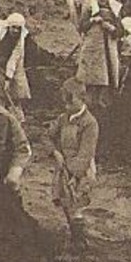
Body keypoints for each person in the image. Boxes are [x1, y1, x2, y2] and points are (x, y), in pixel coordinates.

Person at [48, 81, 100, 251]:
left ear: (82, 99)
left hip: (80, 169)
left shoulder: (89, 123)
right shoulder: (63, 119)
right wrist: (55, 152)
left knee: (76, 205)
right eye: (65, 102)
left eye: (71, 102)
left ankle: (80, 242)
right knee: (65, 202)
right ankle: (73, 233)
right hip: (63, 165)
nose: (67, 106)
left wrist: (73, 174)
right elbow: (48, 136)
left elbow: (86, 154)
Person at [73, 0, 121, 114]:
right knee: (90, 74)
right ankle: (87, 101)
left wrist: (111, 28)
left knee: (106, 75)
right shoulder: (90, 9)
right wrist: (93, 20)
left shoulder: (114, 11)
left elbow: (120, 32)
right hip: (92, 47)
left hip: (108, 48)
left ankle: (101, 101)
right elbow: (82, 26)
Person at [0, 12, 32, 114]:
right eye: (13, 27)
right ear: (9, 26)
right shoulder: (0, 25)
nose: (15, 31)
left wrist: (8, 79)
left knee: (16, 86)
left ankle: (17, 111)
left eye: (18, 28)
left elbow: (13, 60)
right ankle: (1, 111)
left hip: (15, 63)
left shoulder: (20, 42)